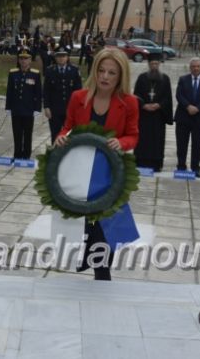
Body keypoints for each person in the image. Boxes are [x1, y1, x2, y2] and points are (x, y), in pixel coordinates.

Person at [55, 48, 139, 281]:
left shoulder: (129, 103)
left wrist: (120, 142)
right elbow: (66, 127)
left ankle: (102, 275)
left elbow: (133, 136)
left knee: (107, 233)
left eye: (112, 72)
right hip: (80, 175)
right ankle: (90, 266)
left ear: (120, 76)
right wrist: (61, 137)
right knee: (85, 230)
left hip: (109, 176)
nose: (105, 76)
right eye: (101, 70)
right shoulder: (78, 98)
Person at [174, 57, 200, 178]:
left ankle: (195, 167)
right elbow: (179, 95)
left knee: (197, 144)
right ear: (190, 67)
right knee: (181, 144)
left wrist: (197, 108)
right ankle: (181, 166)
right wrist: (188, 106)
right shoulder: (183, 79)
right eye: (193, 66)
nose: (196, 68)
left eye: (198, 66)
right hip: (183, 116)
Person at [133, 53, 173, 171]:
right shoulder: (141, 78)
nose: (154, 66)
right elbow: (136, 95)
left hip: (158, 116)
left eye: (156, 63)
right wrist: (143, 105)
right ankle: (140, 161)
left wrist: (159, 105)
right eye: (152, 64)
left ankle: (156, 163)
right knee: (143, 139)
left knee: (157, 140)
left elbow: (168, 97)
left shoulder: (165, 79)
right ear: (148, 64)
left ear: (159, 64)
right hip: (144, 115)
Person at [5, 49, 42, 160]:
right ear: (18, 60)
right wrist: (8, 107)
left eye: (26, 58)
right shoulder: (13, 73)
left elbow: (38, 92)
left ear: (30, 60)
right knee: (17, 133)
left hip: (28, 109)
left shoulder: (35, 74)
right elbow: (9, 91)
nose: (23, 61)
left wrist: (37, 108)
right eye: (21, 58)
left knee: (27, 134)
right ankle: (17, 154)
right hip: (16, 109)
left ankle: (26, 155)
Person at [43, 49, 82, 143]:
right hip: (54, 109)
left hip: (70, 109)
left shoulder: (74, 70)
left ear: (67, 57)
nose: (61, 58)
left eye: (63, 56)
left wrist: (78, 108)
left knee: (69, 135)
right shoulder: (49, 70)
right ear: (55, 58)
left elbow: (78, 91)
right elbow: (46, 90)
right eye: (59, 56)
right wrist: (46, 107)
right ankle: (55, 155)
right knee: (55, 135)